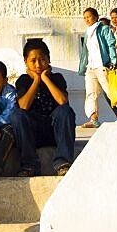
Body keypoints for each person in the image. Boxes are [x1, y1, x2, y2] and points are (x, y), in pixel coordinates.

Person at [15, 39, 76, 177]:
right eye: (33, 60)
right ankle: (29, 164)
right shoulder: (23, 80)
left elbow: (62, 101)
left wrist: (45, 78)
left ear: (48, 59)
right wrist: (36, 81)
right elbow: (24, 106)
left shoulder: (57, 78)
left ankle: (63, 162)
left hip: (54, 132)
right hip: (33, 134)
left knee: (65, 111)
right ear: (26, 61)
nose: (38, 65)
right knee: (17, 114)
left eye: (42, 59)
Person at [78, 7, 117, 128]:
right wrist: (84, 66)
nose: (87, 20)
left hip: (102, 65)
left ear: (96, 16)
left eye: (89, 17)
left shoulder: (104, 29)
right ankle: (93, 118)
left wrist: (113, 61)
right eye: (84, 18)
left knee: (110, 91)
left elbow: (111, 44)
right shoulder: (87, 32)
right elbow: (86, 51)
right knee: (91, 93)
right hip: (91, 67)